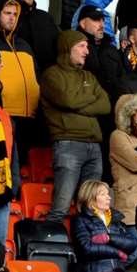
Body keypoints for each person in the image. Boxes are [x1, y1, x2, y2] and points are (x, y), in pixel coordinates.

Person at [39, 30, 111, 220]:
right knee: (61, 206)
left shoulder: (89, 76)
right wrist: (89, 98)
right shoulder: (51, 75)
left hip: (94, 146)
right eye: (81, 46)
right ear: (67, 48)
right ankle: (53, 247)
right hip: (68, 144)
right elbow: (67, 100)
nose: (87, 51)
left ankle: (89, 247)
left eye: (87, 46)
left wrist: (78, 105)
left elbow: (105, 105)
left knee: (92, 209)